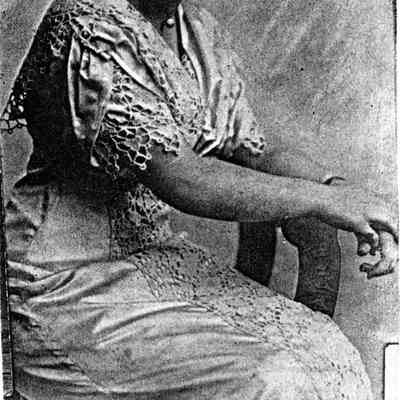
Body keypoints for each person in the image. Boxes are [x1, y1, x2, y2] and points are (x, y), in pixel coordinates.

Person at [2, 0, 397, 399]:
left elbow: (252, 149)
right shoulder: (90, 28)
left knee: (327, 352)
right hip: (64, 281)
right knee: (273, 377)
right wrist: (324, 201)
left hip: (154, 261)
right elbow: (183, 178)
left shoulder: (194, 29)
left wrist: (339, 190)